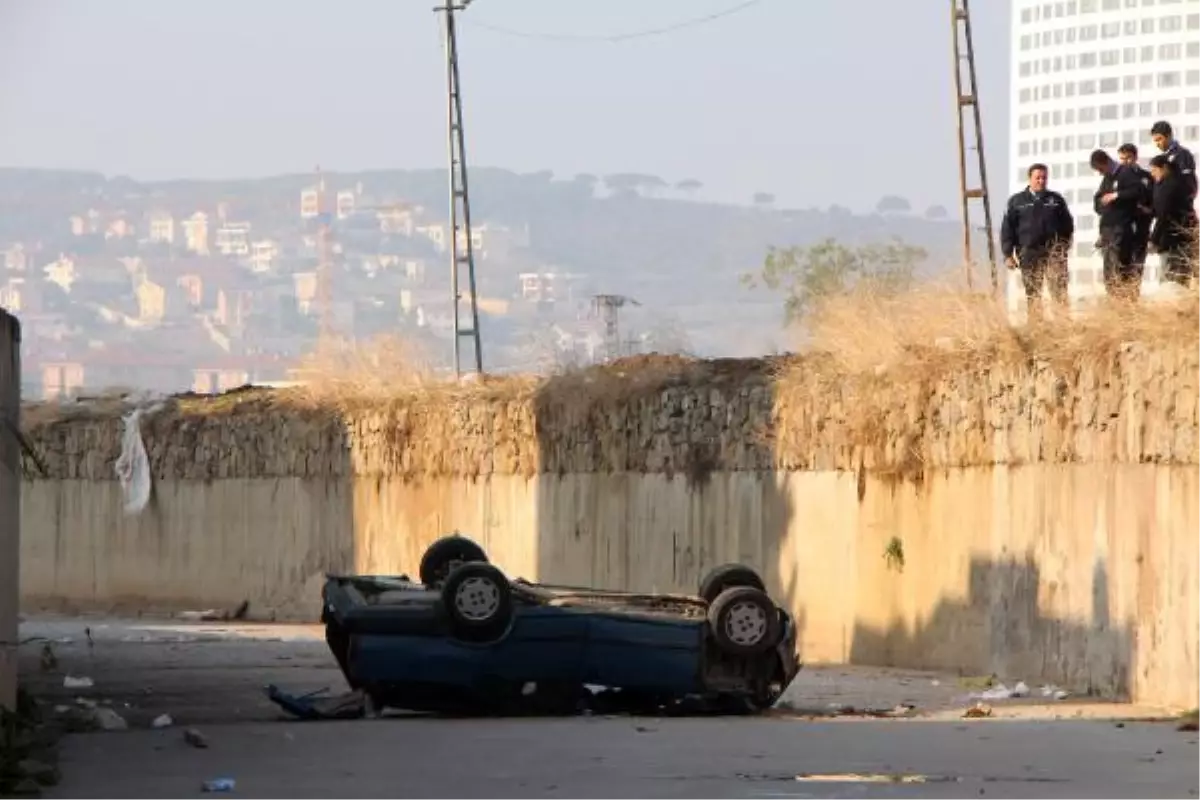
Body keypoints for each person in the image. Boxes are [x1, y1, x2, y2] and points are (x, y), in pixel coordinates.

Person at [999, 163, 1075, 319]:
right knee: (1033, 293)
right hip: (1029, 253)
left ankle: (1063, 325)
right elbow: (1008, 229)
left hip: (1054, 253)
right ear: (1030, 179)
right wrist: (1008, 254)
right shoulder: (1017, 201)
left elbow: (1068, 225)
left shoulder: (1056, 199)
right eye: (1038, 178)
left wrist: (1063, 247)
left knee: (1059, 290)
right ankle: (1036, 326)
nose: (1041, 181)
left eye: (1044, 177)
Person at [1091, 149, 1145, 300]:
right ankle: (1113, 301)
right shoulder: (1107, 177)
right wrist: (1103, 203)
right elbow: (1098, 199)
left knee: (1118, 267)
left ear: (1106, 162)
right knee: (1108, 269)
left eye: (1101, 169)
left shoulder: (1125, 172)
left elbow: (1137, 190)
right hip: (1107, 229)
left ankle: (1123, 302)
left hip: (1121, 227)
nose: (1100, 173)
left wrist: (1117, 195)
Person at [1148, 154, 1197, 287]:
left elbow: (1164, 214)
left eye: (1154, 170)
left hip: (1175, 240)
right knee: (1179, 277)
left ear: (1164, 168)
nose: (1152, 174)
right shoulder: (1169, 183)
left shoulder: (1170, 186)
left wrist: (1153, 239)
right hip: (1180, 237)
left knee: (1171, 280)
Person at [1117, 143, 1155, 270]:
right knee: (1121, 265)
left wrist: (1149, 210)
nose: (1125, 162)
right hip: (1122, 228)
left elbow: (1155, 199)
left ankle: (1134, 288)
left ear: (1135, 157)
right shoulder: (1115, 177)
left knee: (1138, 264)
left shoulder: (1147, 177)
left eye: (1128, 158)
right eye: (1122, 159)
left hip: (1141, 226)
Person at [1150, 121, 1198, 200]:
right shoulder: (1162, 157)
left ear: (1169, 136)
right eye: (1155, 141)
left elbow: (1190, 184)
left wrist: (1183, 205)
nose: (1157, 144)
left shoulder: (1182, 154)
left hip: (1177, 207)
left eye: (1159, 139)